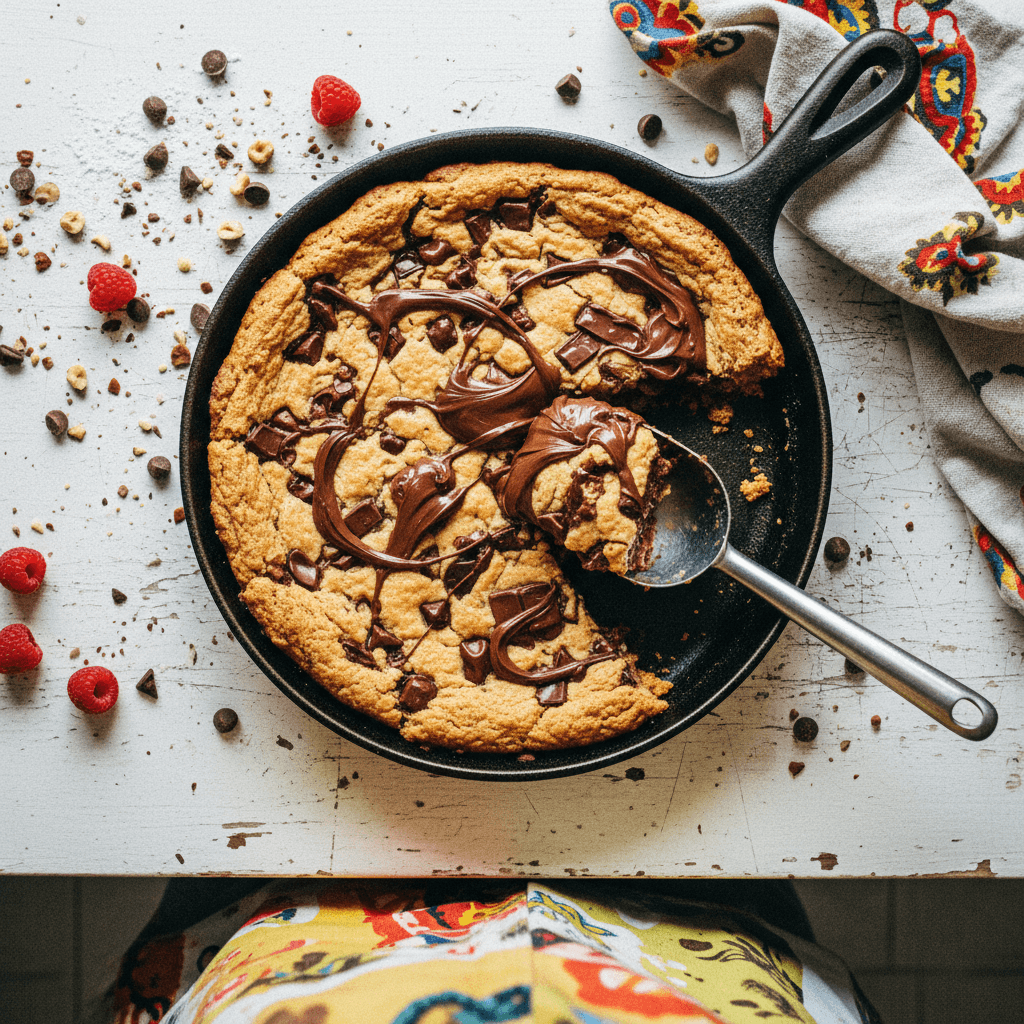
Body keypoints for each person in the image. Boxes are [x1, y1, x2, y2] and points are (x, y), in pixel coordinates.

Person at [82, 877, 880, 1024]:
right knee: (728, 936)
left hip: (296, 949)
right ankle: (721, 918)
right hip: (681, 955)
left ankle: (238, 924)